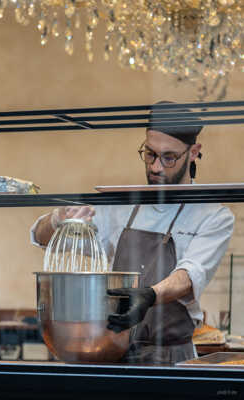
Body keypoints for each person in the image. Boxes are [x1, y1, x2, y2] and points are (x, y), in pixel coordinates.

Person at [30, 101, 234, 364]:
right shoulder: (121, 205)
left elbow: (189, 275)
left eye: (168, 157)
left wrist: (149, 295)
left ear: (193, 152)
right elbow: (40, 236)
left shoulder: (214, 216)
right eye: (150, 154)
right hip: (114, 350)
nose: (156, 167)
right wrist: (58, 219)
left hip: (173, 358)